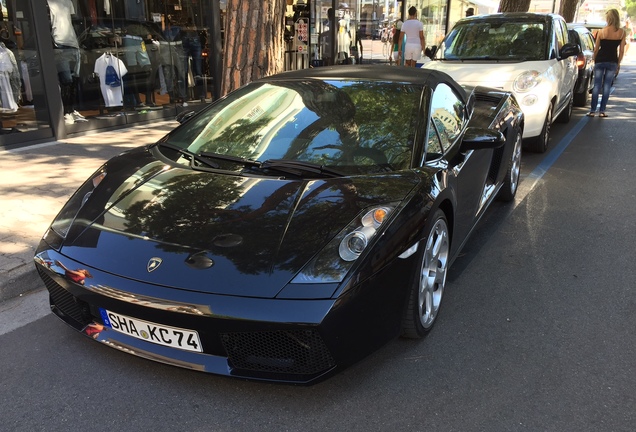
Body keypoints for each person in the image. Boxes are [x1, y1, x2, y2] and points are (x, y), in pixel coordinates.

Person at [588, 8, 625, 117]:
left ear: (608, 18)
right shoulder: (622, 33)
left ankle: (592, 110)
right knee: (607, 85)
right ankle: (602, 111)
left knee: (597, 85)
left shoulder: (602, 31)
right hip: (612, 60)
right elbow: (621, 50)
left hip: (600, 60)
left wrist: (594, 59)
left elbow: (596, 49)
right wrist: (618, 63)